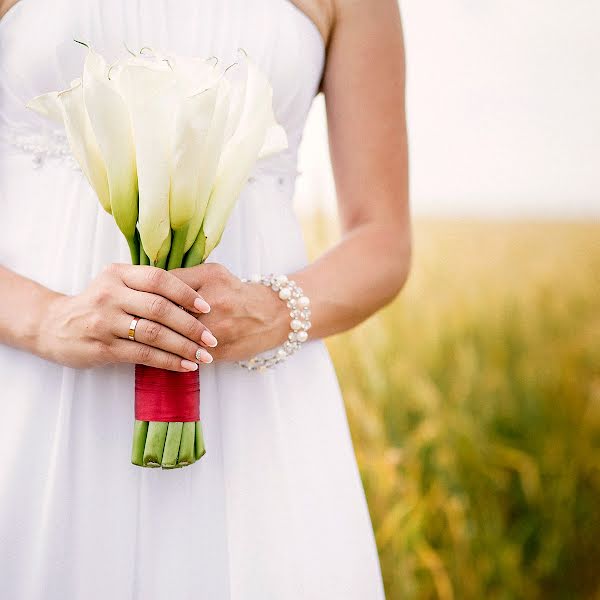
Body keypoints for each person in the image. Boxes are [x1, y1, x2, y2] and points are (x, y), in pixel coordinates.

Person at [0, 0, 409, 597]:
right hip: (31, 384)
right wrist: (47, 320)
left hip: (255, 407)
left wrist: (272, 310)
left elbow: (384, 239)